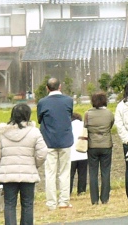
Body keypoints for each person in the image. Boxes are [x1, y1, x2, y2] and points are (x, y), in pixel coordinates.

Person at [0, 103, 48, 225]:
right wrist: (34, 164)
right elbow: (42, 153)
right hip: (28, 175)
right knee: (27, 204)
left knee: (9, 204)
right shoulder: (34, 132)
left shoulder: (2, 132)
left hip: (8, 175)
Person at [37, 77, 75, 210]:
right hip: (65, 140)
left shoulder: (42, 102)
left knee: (50, 173)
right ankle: (64, 201)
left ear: (47, 88)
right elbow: (69, 115)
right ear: (60, 87)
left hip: (48, 141)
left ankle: (51, 203)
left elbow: (39, 119)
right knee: (64, 172)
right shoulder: (69, 101)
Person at [85, 92, 113, 205]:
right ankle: (105, 198)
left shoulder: (87, 114)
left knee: (93, 172)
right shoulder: (109, 114)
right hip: (106, 145)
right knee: (106, 172)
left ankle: (94, 199)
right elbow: (111, 125)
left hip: (92, 145)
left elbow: (85, 127)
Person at [69, 113, 87, 196]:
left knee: (70, 175)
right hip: (83, 153)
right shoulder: (83, 125)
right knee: (82, 174)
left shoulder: (68, 126)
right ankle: (81, 191)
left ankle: (68, 191)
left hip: (71, 155)